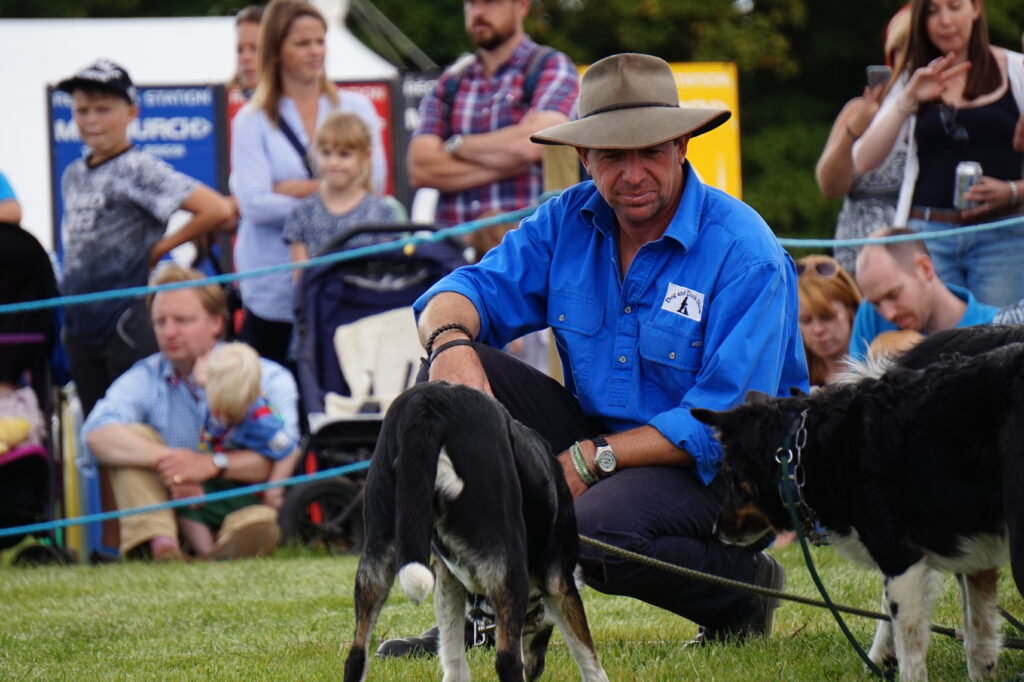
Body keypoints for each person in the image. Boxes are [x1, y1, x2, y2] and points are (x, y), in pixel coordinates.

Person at [378, 53, 808, 658]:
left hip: (724, 466)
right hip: (601, 435)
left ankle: (742, 591)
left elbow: (727, 423)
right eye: (611, 155)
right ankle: (488, 613)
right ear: (585, 158)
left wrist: (592, 458)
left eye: (650, 151)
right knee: (438, 398)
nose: (632, 173)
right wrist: (450, 348)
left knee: (594, 530)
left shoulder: (747, 252)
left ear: (682, 144)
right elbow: (464, 290)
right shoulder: (565, 220)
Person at [82, 265, 299, 561]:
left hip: (242, 500)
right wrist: (172, 463)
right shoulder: (146, 375)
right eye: (160, 322)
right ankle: (163, 547)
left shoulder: (266, 376)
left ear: (216, 323)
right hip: (175, 503)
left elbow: (285, 452)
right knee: (130, 436)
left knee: (256, 521)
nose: (169, 332)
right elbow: (96, 433)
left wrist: (211, 464)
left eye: (182, 320)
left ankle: (218, 548)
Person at [56, 59, 232, 416]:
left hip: (125, 318)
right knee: (96, 429)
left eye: (103, 109)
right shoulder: (73, 173)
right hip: (80, 322)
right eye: (82, 110)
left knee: (135, 422)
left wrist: (160, 248)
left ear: (131, 112)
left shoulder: (139, 166)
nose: (91, 120)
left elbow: (217, 209)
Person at [231, 0, 388, 366]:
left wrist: (291, 190)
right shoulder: (251, 121)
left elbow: (373, 184)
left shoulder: (356, 109)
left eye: (320, 41)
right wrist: (335, 191)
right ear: (277, 48)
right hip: (274, 291)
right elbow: (254, 204)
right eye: (303, 43)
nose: (315, 51)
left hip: (348, 288)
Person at [853, 0, 1024, 307]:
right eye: (932, 11)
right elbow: (864, 160)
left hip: (1003, 233)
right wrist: (908, 99)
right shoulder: (913, 79)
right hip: (929, 235)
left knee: (998, 343)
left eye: (954, 7)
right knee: (938, 349)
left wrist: (1012, 192)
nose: (944, 20)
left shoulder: (1015, 69)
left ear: (976, 9)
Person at [407, 0, 579, 228]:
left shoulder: (551, 65)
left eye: (491, 2)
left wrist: (457, 145)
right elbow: (420, 168)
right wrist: (512, 160)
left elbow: (534, 144)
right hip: (456, 253)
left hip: (529, 248)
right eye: (471, 4)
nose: (478, 12)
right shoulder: (450, 82)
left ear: (522, 7)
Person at [177, 342, 298, 556]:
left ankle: (222, 547)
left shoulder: (262, 422)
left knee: (248, 520)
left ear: (250, 398)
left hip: (248, 492)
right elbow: (207, 382)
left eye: (231, 413)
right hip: (220, 482)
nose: (222, 417)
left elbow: (289, 452)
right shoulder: (213, 389)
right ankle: (206, 552)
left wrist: (274, 491)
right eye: (218, 409)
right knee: (186, 502)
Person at [815, 5, 910, 274]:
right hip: (855, 262)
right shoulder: (860, 110)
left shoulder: (949, 114)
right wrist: (854, 131)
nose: (910, 58)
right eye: (901, 49)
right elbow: (830, 187)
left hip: (917, 259)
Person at [847, 227, 997, 361]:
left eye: (893, 295)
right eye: (876, 303)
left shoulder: (995, 328)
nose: (888, 314)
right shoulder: (870, 315)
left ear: (925, 269)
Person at [283, 111, 403, 267]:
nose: (333, 162)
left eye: (344, 154)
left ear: (365, 156)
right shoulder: (301, 214)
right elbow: (301, 281)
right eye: (326, 153)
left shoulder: (382, 213)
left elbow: (390, 269)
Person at [796, 255, 862, 386]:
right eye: (806, 320)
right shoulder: (791, 382)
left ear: (851, 310)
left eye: (827, 317)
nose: (818, 329)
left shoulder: (880, 368)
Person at [231, 6, 264, 98]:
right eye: (240, 50)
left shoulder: (297, 105)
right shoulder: (220, 104)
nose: (245, 57)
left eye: (255, 48)